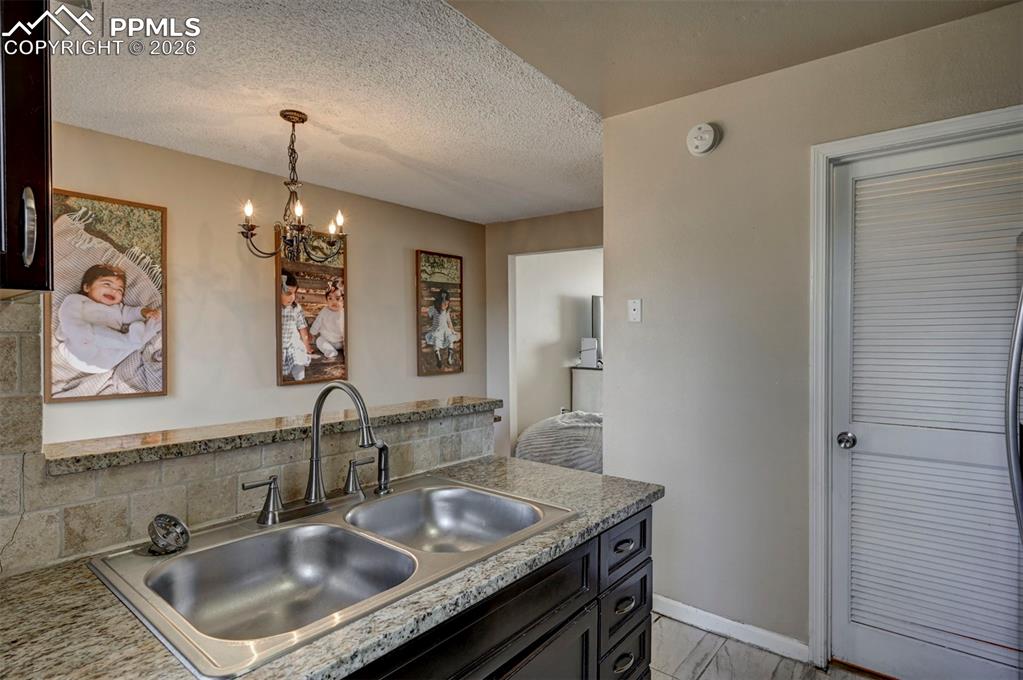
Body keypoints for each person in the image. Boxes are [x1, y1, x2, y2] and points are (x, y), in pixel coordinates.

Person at [56, 264, 161, 374]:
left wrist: (144, 312)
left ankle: (139, 337)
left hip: (107, 361)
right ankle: (130, 341)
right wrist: (79, 331)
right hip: (81, 347)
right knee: (95, 332)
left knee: (155, 321)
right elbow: (68, 316)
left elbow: (130, 313)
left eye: (120, 290)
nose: (114, 291)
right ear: (87, 287)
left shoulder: (117, 308)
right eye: (107, 284)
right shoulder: (76, 299)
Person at [280, 272, 312, 381]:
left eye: (294, 293)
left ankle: (300, 379)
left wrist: (307, 346)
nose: (292, 297)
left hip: (291, 343)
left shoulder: (296, 308)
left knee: (298, 359)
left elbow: (302, 327)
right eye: (288, 293)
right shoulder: (273, 307)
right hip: (278, 345)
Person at [425, 289, 460, 368]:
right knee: (436, 341)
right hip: (437, 330)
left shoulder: (447, 311)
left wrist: (453, 330)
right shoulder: (433, 309)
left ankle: (449, 356)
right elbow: (429, 317)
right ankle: (438, 358)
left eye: (447, 304)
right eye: (443, 304)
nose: (445, 305)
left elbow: (449, 321)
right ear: (438, 302)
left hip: (446, 330)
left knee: (450, 339)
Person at [310, 279, 344, 360]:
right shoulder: (324, 311)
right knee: (319, 340)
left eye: (337, 298)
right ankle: (330, 351)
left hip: (340, 342)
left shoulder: (344, 312)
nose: (334, 302)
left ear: (344, 299)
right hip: (327, 340)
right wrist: (312, 332)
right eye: (330, 298)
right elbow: (318, 321)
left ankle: (346, 351)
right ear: (326, 300)